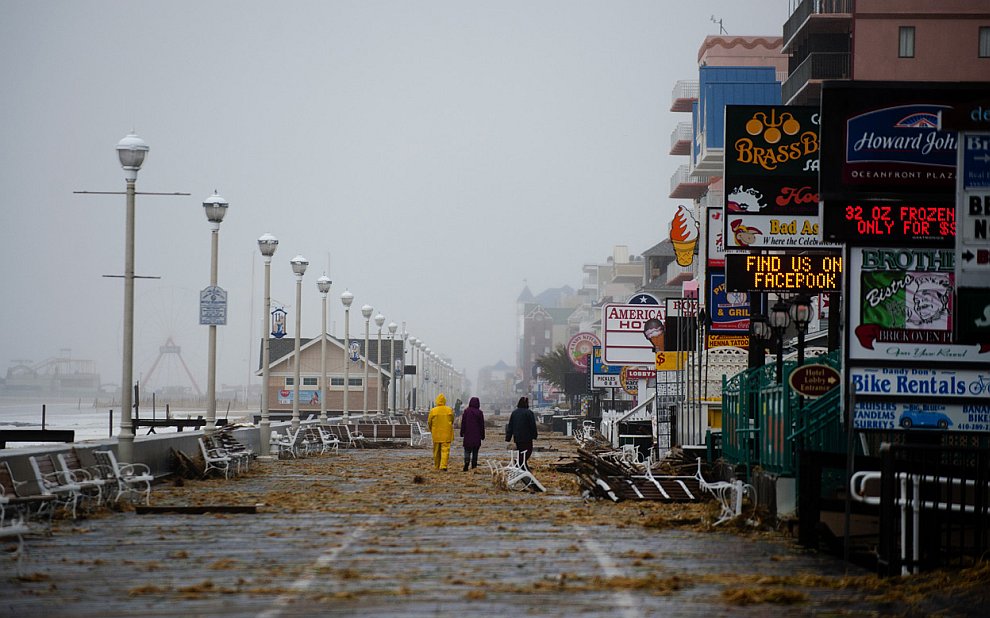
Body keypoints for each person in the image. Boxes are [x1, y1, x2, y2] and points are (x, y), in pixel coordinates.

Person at [505, 396, 538, 470]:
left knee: (521, 452)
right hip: (527, 438)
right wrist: (534, 435)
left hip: (517, 438)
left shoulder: (514, 413)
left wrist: (508, 437)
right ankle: (519, 464)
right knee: (527, 452)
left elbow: (510, 426)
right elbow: (533, 425)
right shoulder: (529, 413)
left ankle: (522, 467)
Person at [427, 393, 455, 471]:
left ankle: (436, 466)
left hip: (436, 434)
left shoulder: (433, 410)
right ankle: (443, 466)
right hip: (446, 434)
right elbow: (452, 420)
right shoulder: (449, 410)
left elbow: (429, 422)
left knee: (436, 451)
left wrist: (432, 430)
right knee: (445, 451)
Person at [459, 396, 486, 471]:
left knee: (467, 450)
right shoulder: (480, 413)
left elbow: (463, 423)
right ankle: (474, 466)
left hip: (468, 435)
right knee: (475, 451)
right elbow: (482, 425)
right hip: (477, 436)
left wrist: (462, 432)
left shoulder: (466, 411)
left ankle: (466, 462)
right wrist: (482, 435)